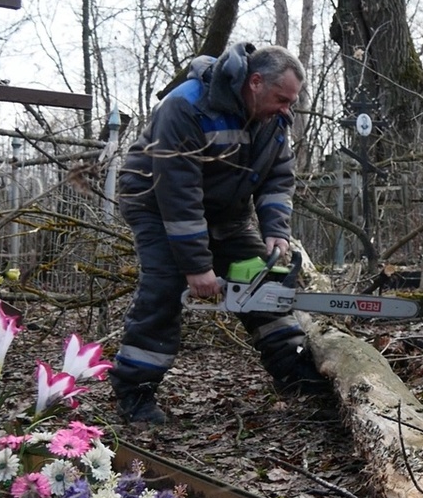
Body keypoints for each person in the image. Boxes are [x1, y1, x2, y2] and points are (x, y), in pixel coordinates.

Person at [111, 42, 324, 424]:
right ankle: (135, 394)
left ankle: (295, 375)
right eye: (281, 98)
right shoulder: (188, 105)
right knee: (164, 288)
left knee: (265, 281)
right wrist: (196, 266)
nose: (286, 109)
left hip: (227, 211)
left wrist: (276, 232)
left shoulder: (273, 120)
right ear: (255, 82)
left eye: (291, 101)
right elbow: (178, 193)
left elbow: (278, 177)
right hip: (156, 205)